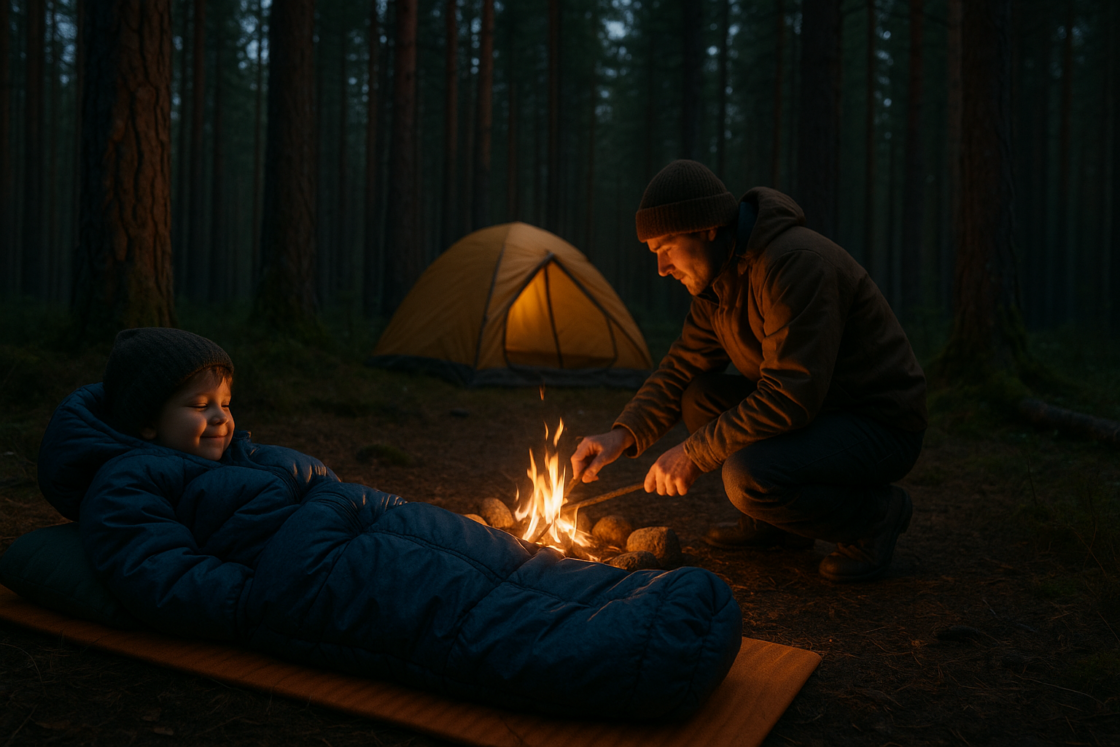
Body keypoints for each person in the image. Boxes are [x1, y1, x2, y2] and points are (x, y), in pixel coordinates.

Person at [35, 327, 742, 720]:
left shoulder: (235, 453)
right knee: (457, 609)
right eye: (199, 405)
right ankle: (636, 653)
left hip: (361, 523)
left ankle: (634, 600)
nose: (221, 416)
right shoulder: (127, 482)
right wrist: (260, 594)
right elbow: (162, 578)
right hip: (316, 575)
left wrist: (336, 501)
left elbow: (310, 489)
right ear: (143, 418)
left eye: (224, 400)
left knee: (504, 559)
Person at [571, 160, 927, 583]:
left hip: (878, 423)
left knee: (746, 477)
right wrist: (621, 434)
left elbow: (791, 395)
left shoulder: (793, 263)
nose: (662, 268)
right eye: (654, 254)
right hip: (823, 411)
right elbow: (682, 367)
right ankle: (777, 528)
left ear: (707, 228)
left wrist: (693, 451)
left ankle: (875, 519)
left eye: (667, 247)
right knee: (699, 396)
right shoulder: (717, 280)